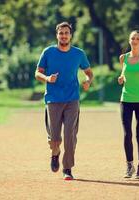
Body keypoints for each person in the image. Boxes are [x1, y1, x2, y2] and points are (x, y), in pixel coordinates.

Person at [35, 22, 94, 180]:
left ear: (71, 35)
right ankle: (55, 153)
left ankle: (67, 168)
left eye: (66, 33)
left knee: (70, 135)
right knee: (55, 138)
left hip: (72, 99)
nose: (64, 35)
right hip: (53, 99)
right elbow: (37, 73)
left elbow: (89, 72)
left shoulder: (79, 54)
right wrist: (47, 78)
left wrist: (88, 81)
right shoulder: (48, 52)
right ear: (57, 35)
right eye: (61, 33)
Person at [117, 30, 139, 179]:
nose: (135, 40)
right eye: (133, 38)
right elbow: (123, 76)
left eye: (138, 38)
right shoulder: (123, 58)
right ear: (129, 40)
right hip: (125, 100)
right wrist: (120, 79)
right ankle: (129, 165)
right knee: (127, 134)